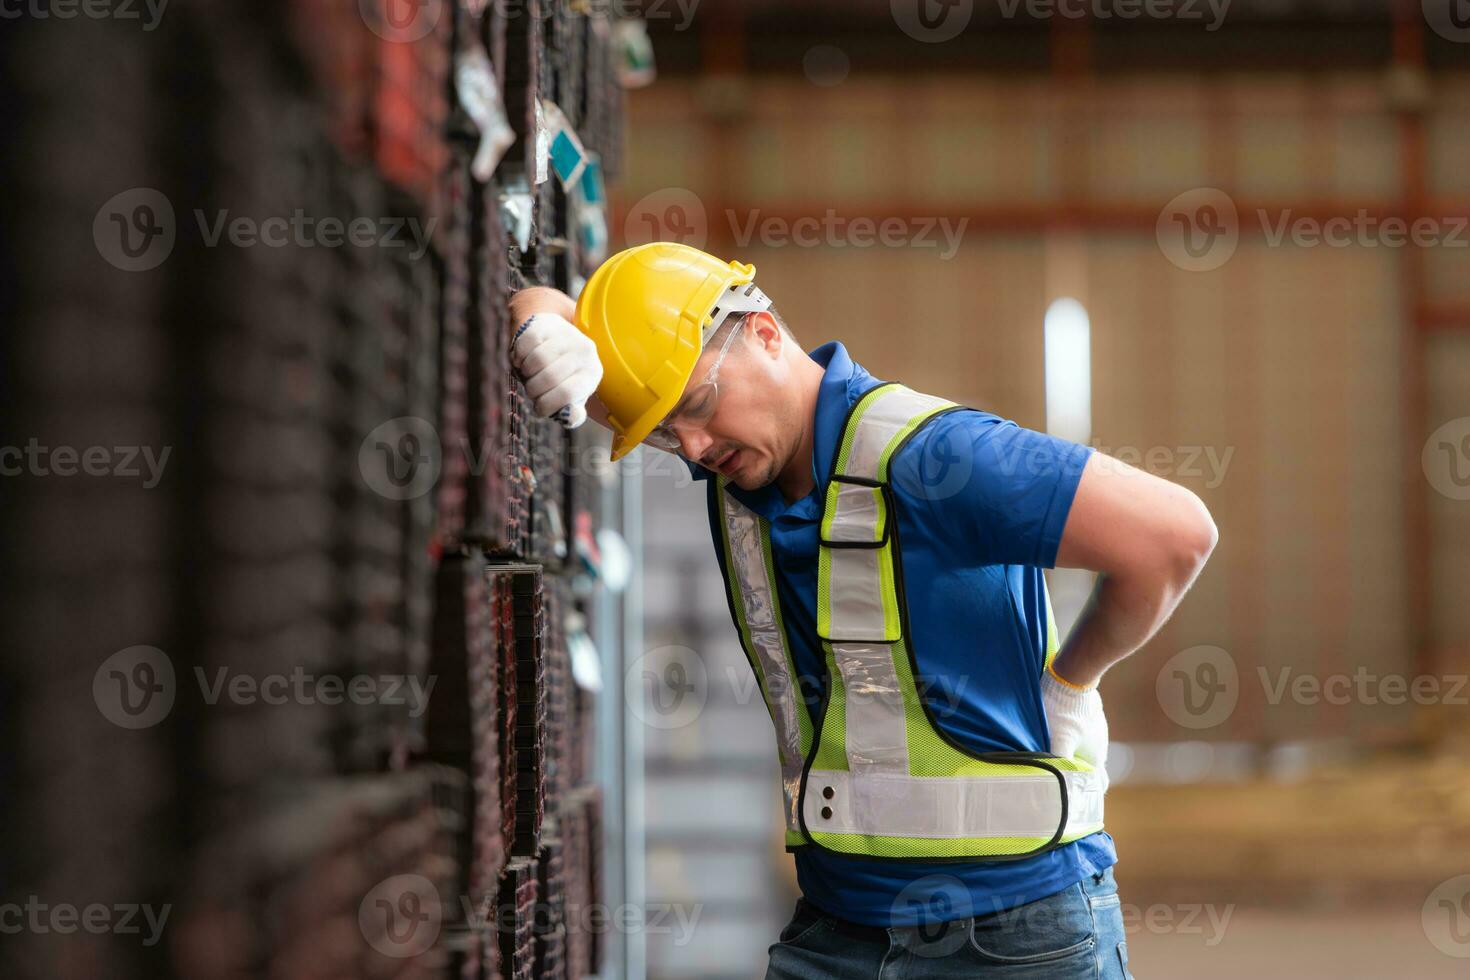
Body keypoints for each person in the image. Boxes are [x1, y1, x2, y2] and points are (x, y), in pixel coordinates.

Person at [507, 243, 1217, 979]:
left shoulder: (940, 459)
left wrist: (1073, 681)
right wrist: (538, 313)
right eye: (662, 432)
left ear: (764, 334)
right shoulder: (746, 454)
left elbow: (1174, 536)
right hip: (837, 927)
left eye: (695, 407)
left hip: (1013, 934)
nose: (690, 445)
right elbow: (567, 351)